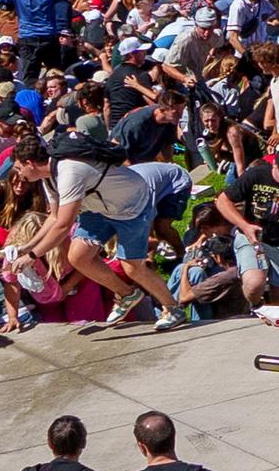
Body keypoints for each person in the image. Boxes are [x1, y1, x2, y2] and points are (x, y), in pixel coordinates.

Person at [11, 135, 186, 329]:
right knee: (78, 257)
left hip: (132, 208)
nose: (19, 175)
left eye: (19, 169)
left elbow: (63, 225)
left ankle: (173, 308)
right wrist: (26, 248)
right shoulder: (48, 177)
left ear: (30, 163)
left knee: (132, 267)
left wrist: (33, 256)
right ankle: (127, 295)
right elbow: (53, 217)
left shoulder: (69, 172)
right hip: (99, 209)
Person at [214, 146, 279, 307]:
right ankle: (256, 305)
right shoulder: (256, 175)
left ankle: (272, 314)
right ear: (274, 164)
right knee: (254, 284)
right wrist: (245, 226)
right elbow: (223, 200)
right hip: (253, 239)